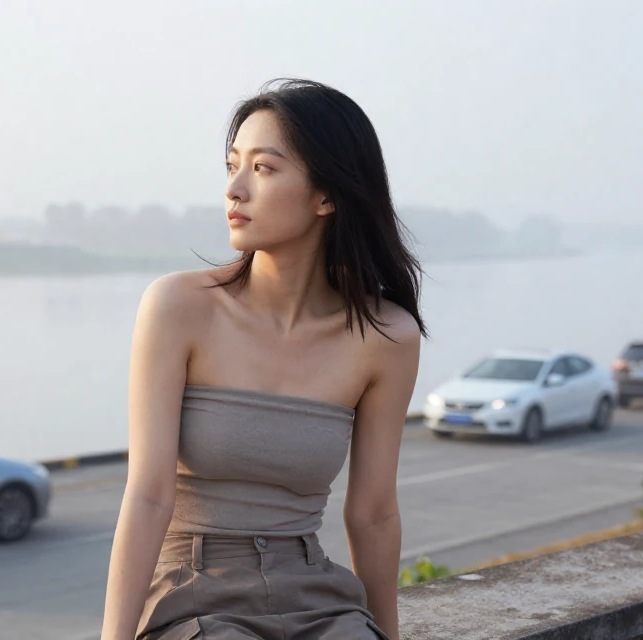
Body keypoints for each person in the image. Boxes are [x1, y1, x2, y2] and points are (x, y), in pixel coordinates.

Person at [100, 78, 427, 640]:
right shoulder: (180, 307)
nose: (234, 189)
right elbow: (149, 494)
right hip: (194, 592)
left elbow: (372, 513)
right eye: (232, 165)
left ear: (326, 196)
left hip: (315, 593)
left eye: (263, 168)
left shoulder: (387, 336)